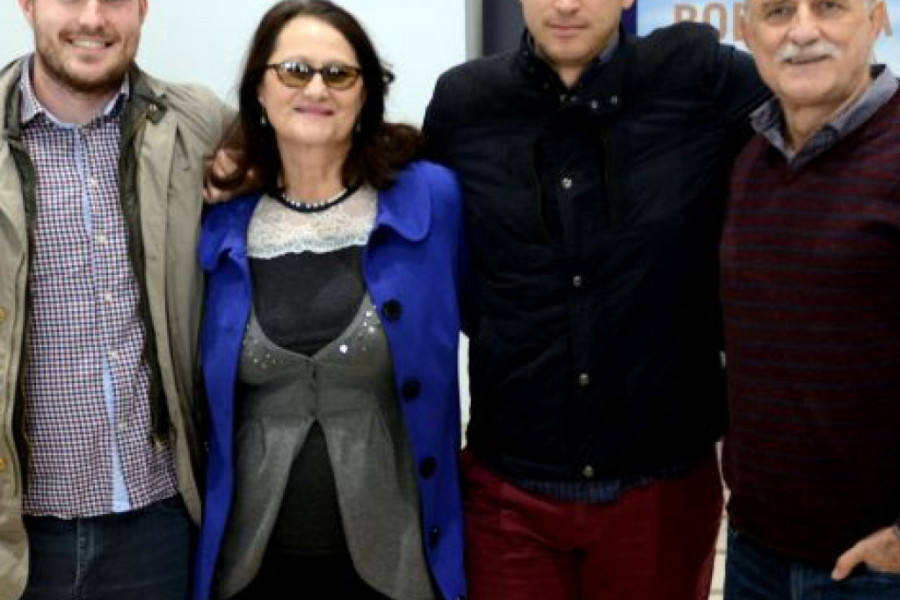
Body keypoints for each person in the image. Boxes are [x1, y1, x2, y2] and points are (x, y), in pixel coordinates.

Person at [422, 1, 769, 599]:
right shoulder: (464, 103)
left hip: (659, 488)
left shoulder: (698, 79)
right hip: (509, 491)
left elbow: (820, 114)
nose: (565, 4)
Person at [192, 2, 466, 600]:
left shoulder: (431, 199)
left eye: (338, 74)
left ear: (366, 93)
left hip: (397, 568)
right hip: (251, 569)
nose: (316, 89)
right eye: (294, 70)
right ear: (259, 89)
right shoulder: (218, 218)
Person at [0, 0, 230, 598]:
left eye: (116, 0)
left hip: (160, 526)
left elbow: (311, 159)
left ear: (143, 9)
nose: (93, 18)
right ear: (27, 5)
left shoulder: (196, 125)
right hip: (18, 539)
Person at [720, 0, 900, 597]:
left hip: (877, 568)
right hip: (755, 553)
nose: (802, 31)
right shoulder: (751, 160)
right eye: (777, 12)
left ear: (876, 19)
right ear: (746, 32)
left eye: (828, 6)